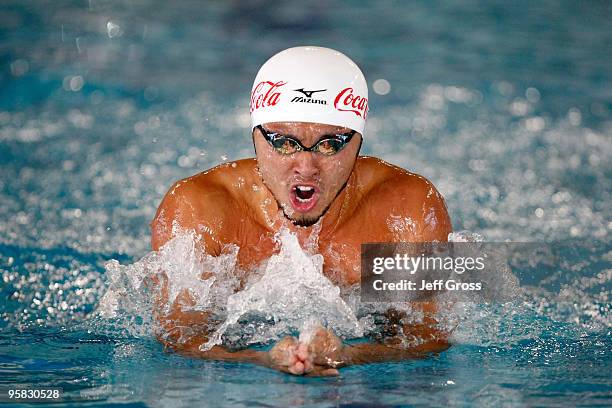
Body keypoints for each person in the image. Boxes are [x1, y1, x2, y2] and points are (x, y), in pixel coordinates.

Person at [150, 46, 453, 376]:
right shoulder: (200, 209)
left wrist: (351, 355)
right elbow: (178, 337)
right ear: (255, 136)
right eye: (283, 142)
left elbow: (431, 335)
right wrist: (261, 361)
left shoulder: (407, 209)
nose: (306, 167)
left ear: (358, 142)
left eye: (331, 144)